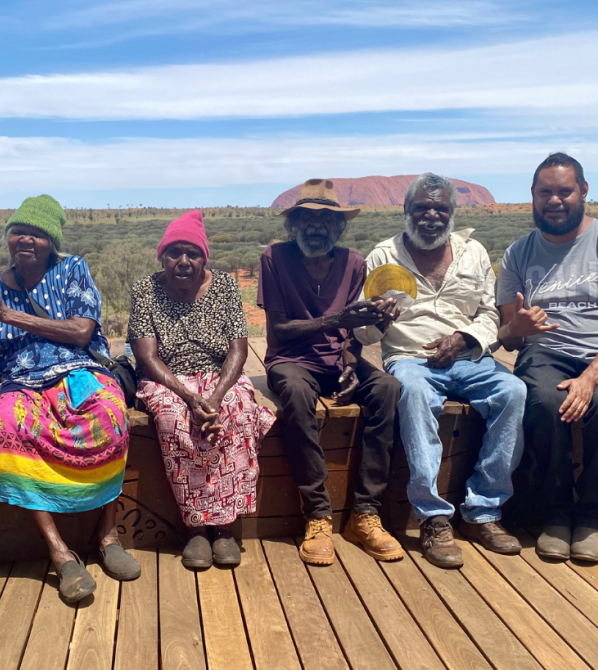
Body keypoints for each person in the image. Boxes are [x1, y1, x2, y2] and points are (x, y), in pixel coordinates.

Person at [0, 194, 139, 605]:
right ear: (8, 238)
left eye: (38, 234)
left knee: (110, 415)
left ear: (51, 242)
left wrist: (8, 315)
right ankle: (59, 552)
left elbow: (79, 332)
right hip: (20, 382)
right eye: (19, 231)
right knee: (6, 428)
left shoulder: (72, 268)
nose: (27, 240)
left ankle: (108, 534)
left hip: (77, 370)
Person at [355, 173, 526, 568]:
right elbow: (362, 333)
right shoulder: (383, 257)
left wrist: (465, 338)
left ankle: (483, 509)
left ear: (451, 213)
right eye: (422, 207)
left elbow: (488, 314)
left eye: (440, 208)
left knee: (514, 391)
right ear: (406, 212)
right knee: (412, 394)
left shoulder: (473, 253)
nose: (431, 214)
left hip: (470, 356)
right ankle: (432, 516)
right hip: (410, 358)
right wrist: (380, 320)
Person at [258, 179, 403, 567]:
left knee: (388, 387)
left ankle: (365, 513)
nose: (315, 227)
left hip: (337, 361)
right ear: (294, 225)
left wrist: (353, 359)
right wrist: (335, 319)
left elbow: (355, 331)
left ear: (339, 227)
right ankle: (318, 514)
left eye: (326, 220)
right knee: (297, 393)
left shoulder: (354, 263)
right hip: (291, 360)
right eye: (307, 219)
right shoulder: (274, 258)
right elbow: (279, 330)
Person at [128, 210, 275, 569]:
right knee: (172, 421)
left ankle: (225, 525)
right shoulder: (146, 290)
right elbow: (147, 356)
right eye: (173, 253)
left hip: (218, 376)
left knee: (239, 412)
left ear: (203, 258)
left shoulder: (223, 286)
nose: (182, 261)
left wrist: (214, 397)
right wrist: (190, 397)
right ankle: (195, 526)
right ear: (162, 256)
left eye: (192, 253)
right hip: (167, 379)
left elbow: (238, 349)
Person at [497, 153, 598, 562]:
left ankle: (590, 516)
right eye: (545, 193)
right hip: (545, 355)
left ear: (584, 192)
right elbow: (509, 338)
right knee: (544, 398)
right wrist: (518, 328)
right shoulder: (517, 254)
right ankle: (556, 513)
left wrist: (591, 376)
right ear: (533, 198)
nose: (554, 201)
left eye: (564, 191)